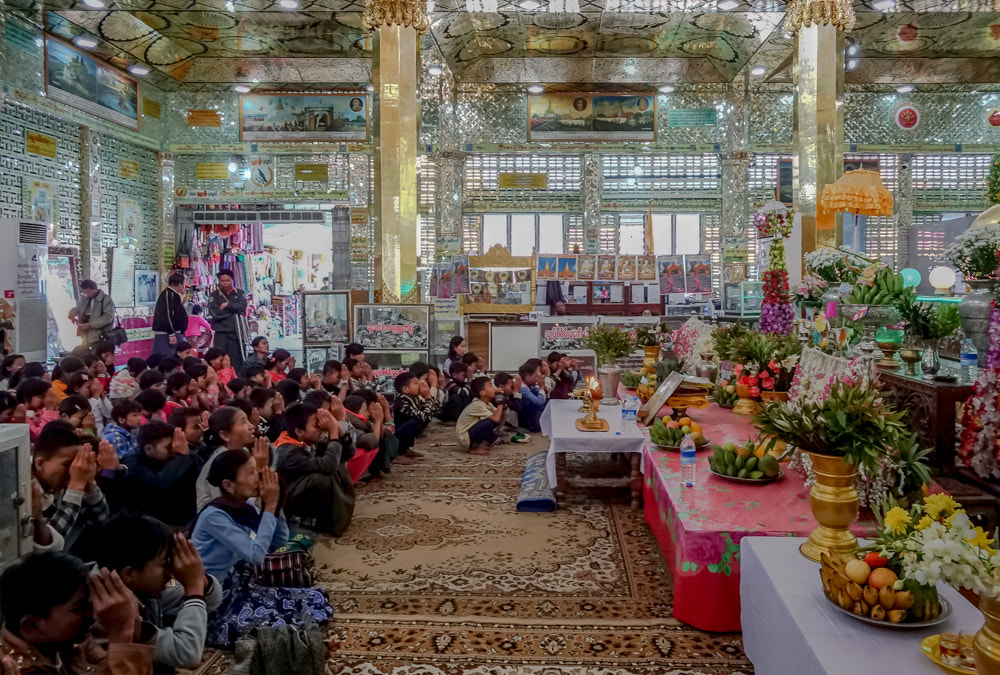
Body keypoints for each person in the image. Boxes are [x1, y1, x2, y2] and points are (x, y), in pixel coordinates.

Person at [189, 449, 334, 647]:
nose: (258, 476)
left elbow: (280, 541)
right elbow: (255, 556)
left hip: (238, 587)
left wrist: (275, 507)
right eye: (250, 472)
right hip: (216, 599)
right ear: (229, 485)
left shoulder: (242, 505)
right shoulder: (214, 516)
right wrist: (269, 508)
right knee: (282, 624)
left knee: (312, 598)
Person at [95, 516, 222, 673]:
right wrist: (194, 587)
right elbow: (186, 653)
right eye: (164, 564)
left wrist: (199, 579)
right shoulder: (107, 608)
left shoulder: (142, 583)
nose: (170, 573)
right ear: (129, 574)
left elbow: (212, 600)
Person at [0, 551, 156, 675]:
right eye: (78, 608)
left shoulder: (69, 643)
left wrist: (132, 621)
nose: (91, 614)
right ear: (31, 626)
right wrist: (122, 632)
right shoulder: (14, 668)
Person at [273, 402, 356, 535]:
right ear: (299, 431)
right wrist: (333, 432)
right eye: (315, 425)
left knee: (337, 464)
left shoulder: (307, 440)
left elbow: (348, 454)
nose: (320, 428)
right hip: (288, 502)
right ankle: (310, 522)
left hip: (300, 490)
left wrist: (338, 431)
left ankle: (331, 518)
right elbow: (328, 465)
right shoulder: (288, 452)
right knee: (321, 478)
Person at [32, 421, 114, 553]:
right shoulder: (23, 484)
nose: (74, 469)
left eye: (76, 462)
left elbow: (101, 520)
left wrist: (90, 485)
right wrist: (75, 487)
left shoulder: (64, 479)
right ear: (40, 463)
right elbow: (47, 545)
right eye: (67, 464)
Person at [122, 421, 204, 527]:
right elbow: (156, 484)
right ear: (149, 449)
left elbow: (202, 473)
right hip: (152, 526)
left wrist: (186, 455)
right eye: (169, 447)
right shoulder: (132, 463)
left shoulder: (178, 458)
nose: (174, 449)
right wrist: (180, 457)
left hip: (186, 521)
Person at [195, 406, 268, 510]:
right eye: (243, 422)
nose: (251, 426)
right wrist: (260, 468)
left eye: (248, 420)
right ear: (225, 435)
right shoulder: (220, 463)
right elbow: (230, 504)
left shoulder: (243, 453)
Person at [207, 269, 248, 371]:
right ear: (219, 281)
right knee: (218, 360)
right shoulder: (214, 295)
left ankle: (236, 382)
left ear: (232, 280)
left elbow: (242, 306)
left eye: (228, 280)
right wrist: (233, 312)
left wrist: (227, 305)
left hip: (236, 332)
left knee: (236, 361)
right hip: (221, 333)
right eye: (222, 281)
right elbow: (215, 313)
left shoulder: (239, 293)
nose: (225, 283)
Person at [392, 372, 438, 459]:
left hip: (404, 432)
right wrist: (428, 398)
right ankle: (399, 454)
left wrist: (429, 397)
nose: (420, 385)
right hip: (396, 437)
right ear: (406, 389)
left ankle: (406, 449)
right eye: (416, 383)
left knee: (418, 422)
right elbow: (425, 417)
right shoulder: (402, 402)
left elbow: (436, 410)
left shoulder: (415, 398)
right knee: (414, 423)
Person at [457, 376, 506, 455]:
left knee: (495, 417)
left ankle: (489, 440)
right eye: (490, 386)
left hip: (470, 433)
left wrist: (501, 399)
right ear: (482, 392)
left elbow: (499, 414)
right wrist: (500, 403)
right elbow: (496, 419)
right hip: (465, 438)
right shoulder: (477, 404)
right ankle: (475, 447)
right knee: (489, 422)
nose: (494, 388)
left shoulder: (487, 403)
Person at [68, 279, 116, 348]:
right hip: (85, 336)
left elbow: (108, 317)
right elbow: (78, 308)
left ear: (95, 289)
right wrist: (71, 314)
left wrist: (91, 325)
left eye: (88, 292)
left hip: (99, 336)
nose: (86, 294)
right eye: (84, 292)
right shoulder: (85, 300)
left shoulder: (106, 300)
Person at [152, 272, 189, 358]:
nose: (184, 286)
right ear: (179, 284)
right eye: (184, 283)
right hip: (168, 334)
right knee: (167, 359)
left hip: (175, 333)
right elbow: (167, 314)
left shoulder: (173, 295)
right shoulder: (169, 295)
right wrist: (171, 333)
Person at [518, 358, 547, 434]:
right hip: (529, 423)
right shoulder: (523, 388)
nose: (537, 379)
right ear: (528, 377)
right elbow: (538, 401)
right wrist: (542, 387)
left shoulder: (530, 385)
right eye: (536, 377)